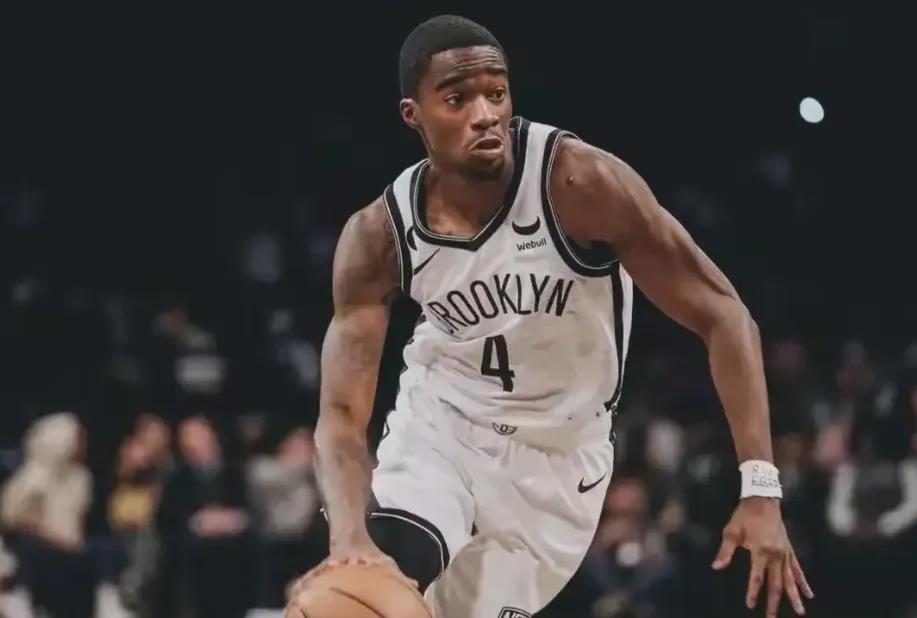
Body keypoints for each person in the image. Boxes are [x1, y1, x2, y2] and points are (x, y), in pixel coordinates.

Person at [295, 14, 814, 618]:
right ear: (414, 114)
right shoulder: (379, 235)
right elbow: (340, 414)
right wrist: (350, 539)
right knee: (363, 598)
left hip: (558, 462)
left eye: (497, 92)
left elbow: (724, 314)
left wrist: (761, 485)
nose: (485, 114)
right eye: (458, 99)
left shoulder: (577, 182)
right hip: (443, 427)